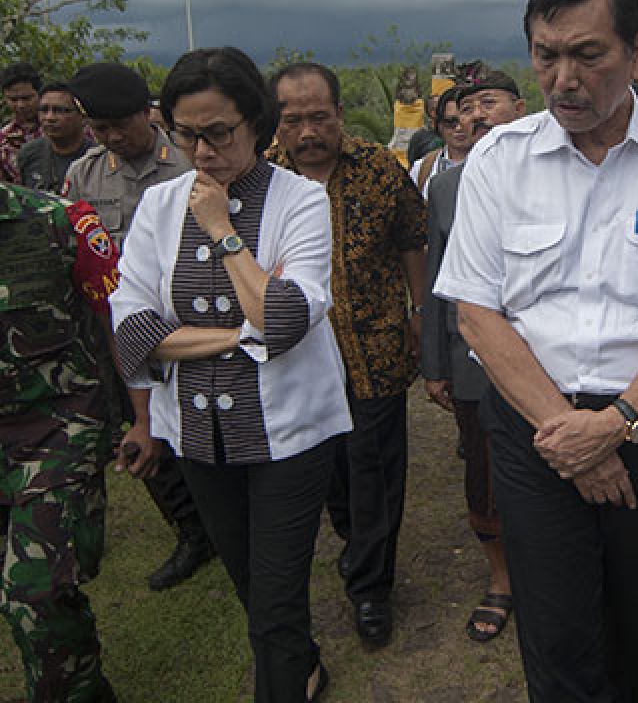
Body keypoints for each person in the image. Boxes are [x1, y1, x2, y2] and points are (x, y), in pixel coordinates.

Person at [434, 0, 638, 701]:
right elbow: (477, 311)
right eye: (547, 55)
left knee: (630, 613)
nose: (564, 79)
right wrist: (571, 435)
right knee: (556, 629)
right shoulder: (499, 163)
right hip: (533, 430)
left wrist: (618, 423)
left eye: (588, 54)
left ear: (637, 51)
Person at [109, 46, 352, 702]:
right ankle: (303, 661)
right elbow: (132, 328)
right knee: (251, 584)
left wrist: (223, 232)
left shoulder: (301, 201)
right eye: (186, 133)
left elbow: (285, 318)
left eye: (219, 132)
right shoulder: (159, 207)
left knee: (274, 602)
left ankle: (285, 678)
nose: (203, 151)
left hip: (290, 435)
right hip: (197, 435)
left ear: (258, 124)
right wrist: (239, 333)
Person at [266, 61, 427, 649]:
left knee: (375, 469)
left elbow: (413, 238)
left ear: (338, 112)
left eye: (319, 117)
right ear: (275, 123)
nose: (308, 132)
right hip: (300, 355)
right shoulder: (264, 177)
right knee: (328, 464)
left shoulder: (380, 169)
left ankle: (370, 588)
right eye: (293, 120)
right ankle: (355, 540)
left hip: (376, 345)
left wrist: (417, 312)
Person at [64, 62, 216, 592]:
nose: (109, 138)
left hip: (190, 324)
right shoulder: (86, 175)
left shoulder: (189, 163)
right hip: (121, 330)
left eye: (118, 126)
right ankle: (190, 531)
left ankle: (221, 515)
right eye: (99, 129)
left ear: (144, 115)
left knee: (199, 428)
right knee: (143, 434)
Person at [0, 180, 141, 702]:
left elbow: (117, 321)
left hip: (56, 427)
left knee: (36, 593)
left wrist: (141, 417)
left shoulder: (63, 224)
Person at [423, 71, 525, 643]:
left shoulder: (558, 174)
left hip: (548, 361)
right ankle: (502, 578)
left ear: (520, 106)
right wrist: (435, 364)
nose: (476, 116)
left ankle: (549, 570)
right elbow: (438, 281)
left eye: (488, 102)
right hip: (472, 364)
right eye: (465, 109)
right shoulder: (446, 189)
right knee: (483, 476)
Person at [17, 81, 95, 192]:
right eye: (44, 110)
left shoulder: (96, 158)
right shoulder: (29, 154)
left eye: (60, 110)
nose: (49, 118)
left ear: (83, 117)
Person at [409, 89, 472, 198]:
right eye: (450, 122)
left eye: (464, 121)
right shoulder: (422, 168)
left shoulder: (493, 166)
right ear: (439, 125)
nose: (458, 128)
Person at [1, 62, 42, 183]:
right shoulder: (4, 138)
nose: (21, 105)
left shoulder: (60, 127)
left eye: (27, 98)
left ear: (39, 94)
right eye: (13, 100)